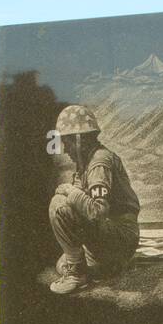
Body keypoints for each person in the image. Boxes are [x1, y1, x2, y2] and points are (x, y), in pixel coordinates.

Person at [47, 104, 141, 295]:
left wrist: (70, 191)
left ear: (79, 140)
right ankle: (105, 266)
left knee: (58, 205)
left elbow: (97, 211)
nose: (65, 149)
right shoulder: (88, 161)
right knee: (61, 263)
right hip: (114, 237)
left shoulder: (98, 163)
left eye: (68, 142)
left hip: (119, 236)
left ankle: (77, 275)